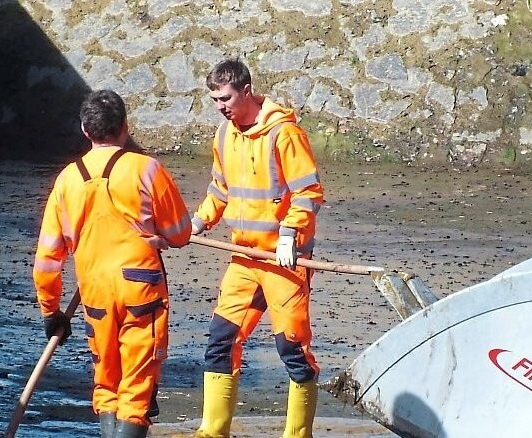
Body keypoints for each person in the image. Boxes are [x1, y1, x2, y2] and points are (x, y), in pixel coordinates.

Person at [32, 90, 192, 438]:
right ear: (125, 126)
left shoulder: (65, 181)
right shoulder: (146, 168)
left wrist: (51, 312)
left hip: (94, 294)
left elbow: (47, 260)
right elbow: (180, 233)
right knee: (136, 390)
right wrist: (160, 236)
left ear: (85, 130)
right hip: (140, 290)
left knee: (107, 384)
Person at [190, 58, 324, 438]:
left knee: (292, 349)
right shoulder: (224, 134)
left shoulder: (284, 134)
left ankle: (298, 434)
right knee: (220, 340)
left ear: (247, 91)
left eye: (226, 98)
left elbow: (308, 192)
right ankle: (213, 432)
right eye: (215, 99)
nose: (221, 106)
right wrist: (197, 223)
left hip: (284, 261)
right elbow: (220, 190)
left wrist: (289, 235)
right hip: (245, 259)